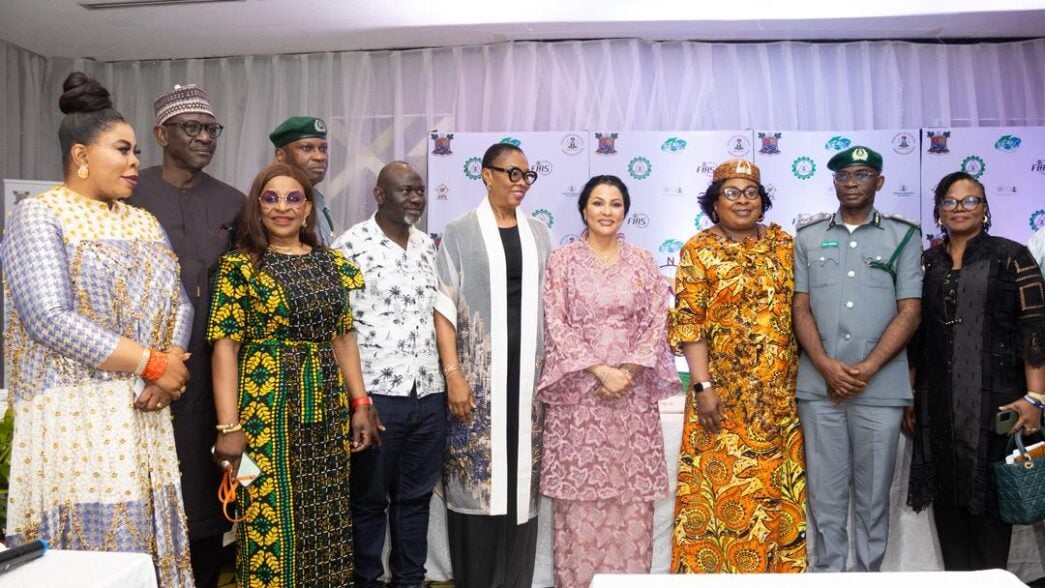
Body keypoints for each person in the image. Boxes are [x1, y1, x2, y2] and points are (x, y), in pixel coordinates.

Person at [2, 71, 194, 587]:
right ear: (81, 156)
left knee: (141, 556)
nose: (136, 162)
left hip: (144, 411)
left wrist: (169, 365)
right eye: (123, 150)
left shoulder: (143, 222)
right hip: (74, 420)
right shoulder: (38, 217)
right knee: (92, 561)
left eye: (135, 151)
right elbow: (48, 318)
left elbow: (179, 301)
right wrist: (152, 362)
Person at [208, 162, 380, 588]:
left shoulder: (332, 262)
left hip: (326, 411)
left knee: (326, 516)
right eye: (271, 198)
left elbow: (343, 337)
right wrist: (229, 428)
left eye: (293, 198)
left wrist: (361, 403)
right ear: (257, 208)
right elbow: (225, 348)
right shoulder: (239, 267)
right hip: (262, 416)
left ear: (307, 209)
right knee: (265, 515)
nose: (282, 207)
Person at [127, 83, 244, 588]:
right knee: (142, 495)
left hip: (212, 374)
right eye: (191, 128)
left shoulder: (234, 202)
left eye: (210, 129)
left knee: (204, 496)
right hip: (138, 374)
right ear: (161, 134)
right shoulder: (131, 193)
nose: (204, 138)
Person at [538, 175, 678, 587]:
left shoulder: (643, 261)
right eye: (598, 203)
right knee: (579, 504)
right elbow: (555, 321)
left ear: (625, 211)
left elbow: (657, 320)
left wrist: (628, 372)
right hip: (579, 396)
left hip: (631, 401)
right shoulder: (562, 261)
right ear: (584, 209)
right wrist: (600, 370)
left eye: (615, 204)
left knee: (630, 503)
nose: (606, 211)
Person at [669, 159, 807, 573]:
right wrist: (702, 386)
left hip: (779, 400)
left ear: (763, 201)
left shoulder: (786, 245)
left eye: (751, 192)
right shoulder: (699, 248)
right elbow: (689, 322)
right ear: (714, 202)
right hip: (721, 401)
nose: (743, 200)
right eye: (731, 192)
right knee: (720, 499)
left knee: (776, 499)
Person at [905, 171, 1045, 571]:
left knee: (991, 506)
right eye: (950, 202)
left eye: (970, 201)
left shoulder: (1012, 255)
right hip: (939, 403)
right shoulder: (926, 261)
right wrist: (911, 395)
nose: (960, 209)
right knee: (948, 506)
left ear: (985, 209)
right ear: (938, 211)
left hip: (1000, 401)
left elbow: (1034, 327)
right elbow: (917, 335)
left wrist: (1036, 397)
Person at [792, 145, 922, 572]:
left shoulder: (902, 235)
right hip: (819, 386)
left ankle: (868, 577)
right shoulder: (808, 237)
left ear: (879, 182)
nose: (851, 183)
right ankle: (829, 574)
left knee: (872, 496)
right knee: (825, 496)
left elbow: (910, 311)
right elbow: (800, 307)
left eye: (862, 175)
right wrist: (826, 366)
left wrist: (866, 368)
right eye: (844, 176)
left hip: (880, 387)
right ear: (834, 182)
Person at [433, 142, 552, 588]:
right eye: (512, 174)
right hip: (476, 385)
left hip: (528, 387)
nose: (520, 183)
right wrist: (453, 375)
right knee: (476, 484)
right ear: (486, 175)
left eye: (526, 175)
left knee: (522, 490)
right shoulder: (460, 232)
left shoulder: (540, 233)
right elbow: (443, 309)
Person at [332, 161, 445, 588]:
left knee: (415, 500)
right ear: (380, 195)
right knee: (368, 502)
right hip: (376, 396)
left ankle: (410, 581)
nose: (415, 198)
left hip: (427, 394)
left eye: (419, 190)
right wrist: (356, 399)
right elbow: (338, 327)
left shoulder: (428, 246)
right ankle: (365, 579)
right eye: (405, 191)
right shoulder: (350, 246)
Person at [270, 115, 336, 245]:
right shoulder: (271, 203)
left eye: (323, 149)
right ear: (280, 155)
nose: (319, 157)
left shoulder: (317, 200)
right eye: (307, 148)